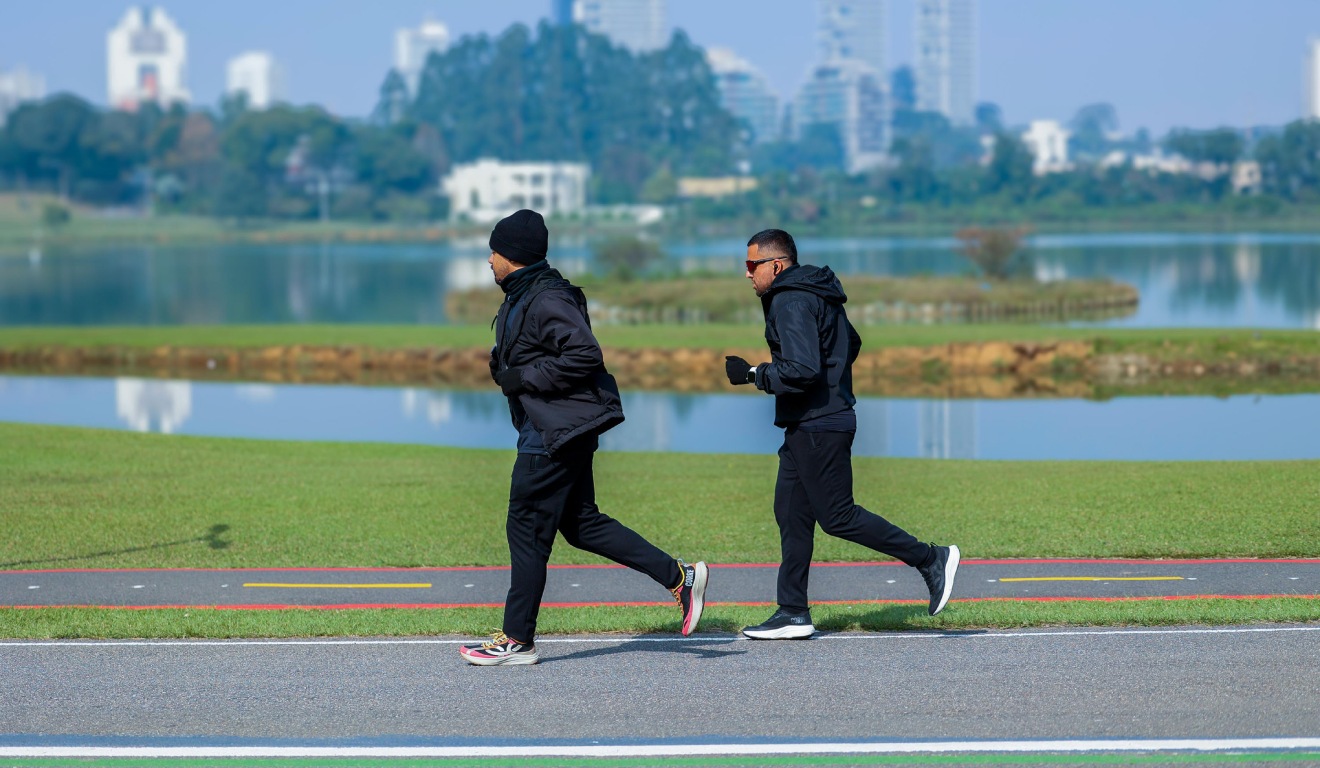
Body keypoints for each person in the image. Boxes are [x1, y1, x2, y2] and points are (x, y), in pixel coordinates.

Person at [460, 209, 709, 666]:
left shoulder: (546, 297)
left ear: (512, 255)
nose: (489, 260)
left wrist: (524, 377)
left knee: (526, 527)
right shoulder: (524, 294)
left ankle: (517, 639)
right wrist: (505, 367)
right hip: (554, 427)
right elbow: (532, 352)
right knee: (580, 524)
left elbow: (584, 354)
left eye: (493, 252)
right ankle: (680, 576)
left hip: (552, 433)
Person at [724, 228, 959, 640]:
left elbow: (802, 369)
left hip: (820, 424)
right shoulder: (817, 291)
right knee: (791, 513)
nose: (747, 274)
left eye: (751, 265)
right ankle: (792, 612)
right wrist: (832, 379)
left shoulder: (790, 299)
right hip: (813, 422)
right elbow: (851, 341)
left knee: (837, 516)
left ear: (775, 265)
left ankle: (930, 558)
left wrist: (754, 374)